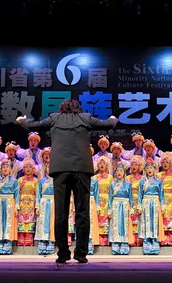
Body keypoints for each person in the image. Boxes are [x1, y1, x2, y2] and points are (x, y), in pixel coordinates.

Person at [16, 99, 118, 264]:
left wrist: (22, 120)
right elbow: (107, 124)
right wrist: (113, 119)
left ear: (62, 109)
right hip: (81, 168)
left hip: (61, 168)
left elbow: (33, 125)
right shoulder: (86, 118)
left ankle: (63, 253)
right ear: (79, 108)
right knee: (82, 212)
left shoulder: (54, 118)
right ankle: (81, 253)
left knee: (61, 213)